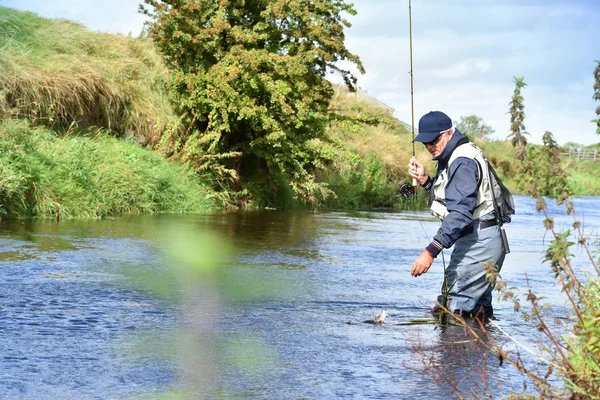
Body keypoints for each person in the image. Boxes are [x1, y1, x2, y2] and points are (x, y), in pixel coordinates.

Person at [407, 111, 507, 319]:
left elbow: (460, 214)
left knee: (450, 310)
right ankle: (481, 352)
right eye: (425, 142)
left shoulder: (462, 161)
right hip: (481, 239)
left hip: (479, 242)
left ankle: (453, 352)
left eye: (433, 140)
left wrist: (430, 251)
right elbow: (455, 196)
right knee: (477, 313)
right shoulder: (458, 155)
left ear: (448, 133)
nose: (429, 146)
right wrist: (426, 180)